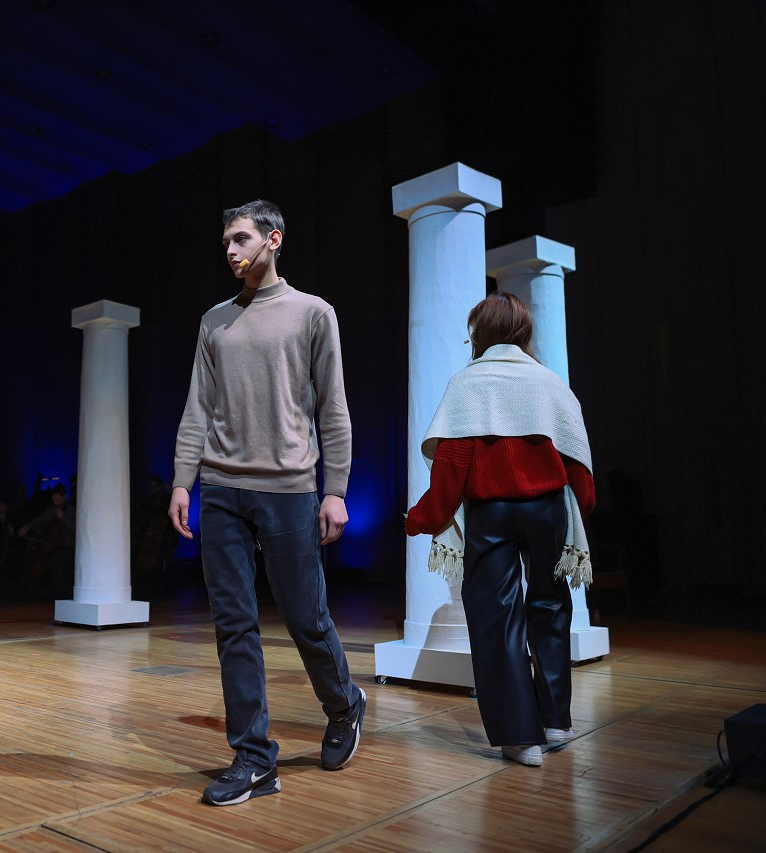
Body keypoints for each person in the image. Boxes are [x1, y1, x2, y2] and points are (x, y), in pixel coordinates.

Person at [168, 199, 366, 806]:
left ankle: (344, 704)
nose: (230, 250)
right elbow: (198, 407)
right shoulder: (214, 321)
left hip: (288, 489)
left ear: (273, 239)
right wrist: (182, 480)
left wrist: (336, 490)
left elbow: (333, 407)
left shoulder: (313, 313)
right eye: (226, 241)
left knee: (305, 617)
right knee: (233, 625)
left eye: (241, 238)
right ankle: (254, 758)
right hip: (222, 489)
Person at [405, 292, 595, 768]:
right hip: (547, 509)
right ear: (524, 333)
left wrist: (421, 518)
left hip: (491, 514)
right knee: (550, 607)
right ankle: (555, 720)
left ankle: (520, 737)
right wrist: (582, 509)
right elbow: (575, 460)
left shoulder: (468, 383)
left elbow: (451, 468)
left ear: (480, 334)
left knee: (497, 618)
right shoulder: (548, 382)